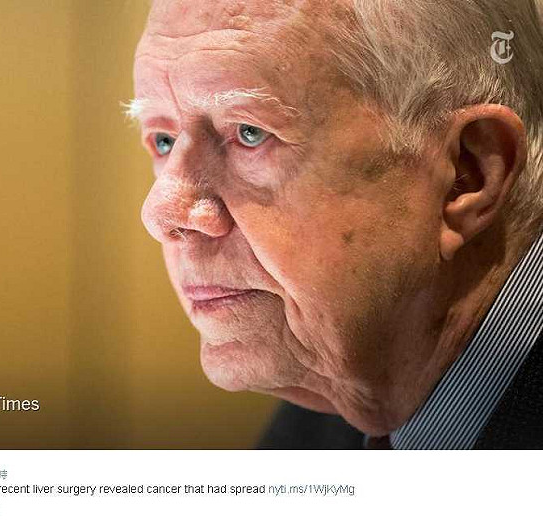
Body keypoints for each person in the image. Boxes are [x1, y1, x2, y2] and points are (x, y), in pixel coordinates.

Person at [129, 0, 543, 449]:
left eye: (250, 132)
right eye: (164, 140)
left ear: (466, 176)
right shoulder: (322, 418)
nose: (160, 213)